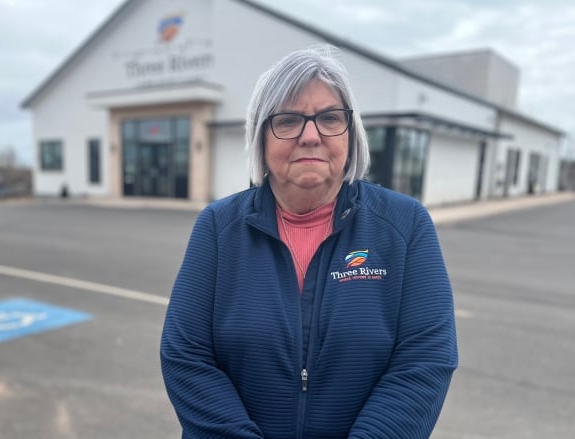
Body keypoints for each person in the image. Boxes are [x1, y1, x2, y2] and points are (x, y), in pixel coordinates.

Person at [160, 46, 458, 438]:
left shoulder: (405, 226)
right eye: (288, 120)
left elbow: (425, 360)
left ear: (351, 134)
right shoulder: (218, 228)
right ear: (261, 138)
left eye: (330, 118)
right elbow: (186, 355)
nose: (311, 136)